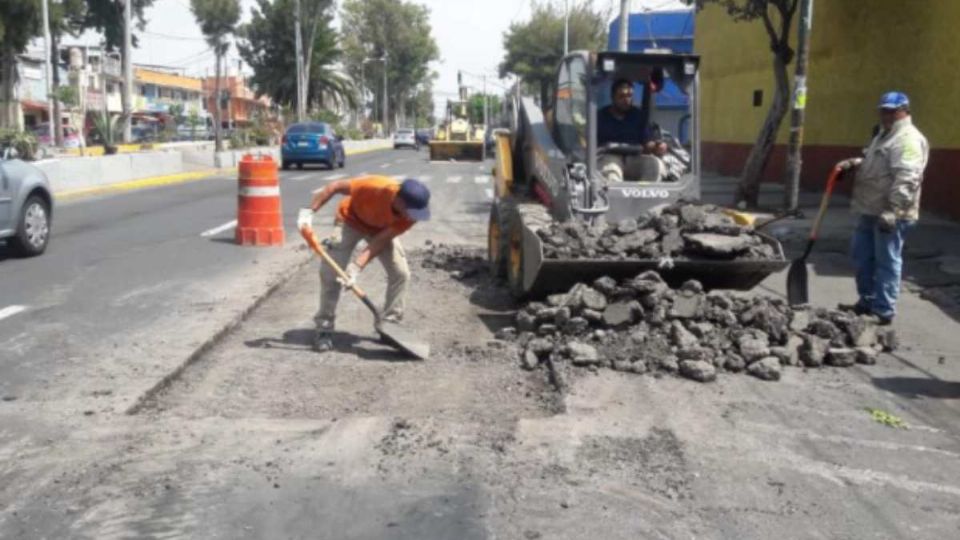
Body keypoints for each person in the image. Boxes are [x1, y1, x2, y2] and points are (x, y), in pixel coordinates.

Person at [307, 175, 431, 351]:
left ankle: (390, 324)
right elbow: (334, 186)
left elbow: (380, 241)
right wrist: (309, 213)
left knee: (401, 274)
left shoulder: (410, 215)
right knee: (330, 274)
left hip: (380, 230)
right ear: (400, 201)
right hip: (350, 220)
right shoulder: (374, 186)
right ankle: (324, 327)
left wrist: (356, 267)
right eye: (411, 211)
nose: (414, 217)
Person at [837, 91, 928, 325]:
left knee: (887, 260)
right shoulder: (884, 135)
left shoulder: (907, 139)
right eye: (883, 110)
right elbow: (876, 161)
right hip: (870, 209)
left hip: (891, 213)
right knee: (862, 256)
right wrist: (855, 163)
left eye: (891, 110)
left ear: (904, 110)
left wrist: (893, 210)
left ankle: (883, 310)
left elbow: (908, 177)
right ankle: (866, 302)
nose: (885, 114)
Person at [597, 79, 650, 182]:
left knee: (654, 165)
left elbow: (647, 142)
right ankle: (614, 197)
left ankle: (646, 195)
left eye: (629, 96)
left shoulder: (638, 115)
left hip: (634, 158)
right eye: (621, 96)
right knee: (611, 171)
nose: (626, 100)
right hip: (608, 156)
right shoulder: (600, 117)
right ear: (612, 97)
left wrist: (657, 146)